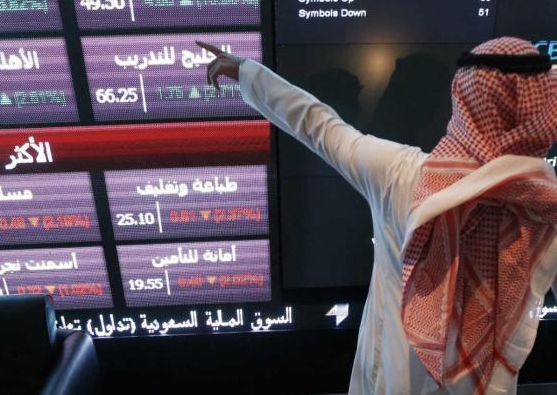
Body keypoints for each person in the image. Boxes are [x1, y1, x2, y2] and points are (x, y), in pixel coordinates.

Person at [197, 37, 557, 394]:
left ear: (462, 99)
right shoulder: (546, 205)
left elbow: (320, 127)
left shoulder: (400, 175)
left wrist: (247, 72)